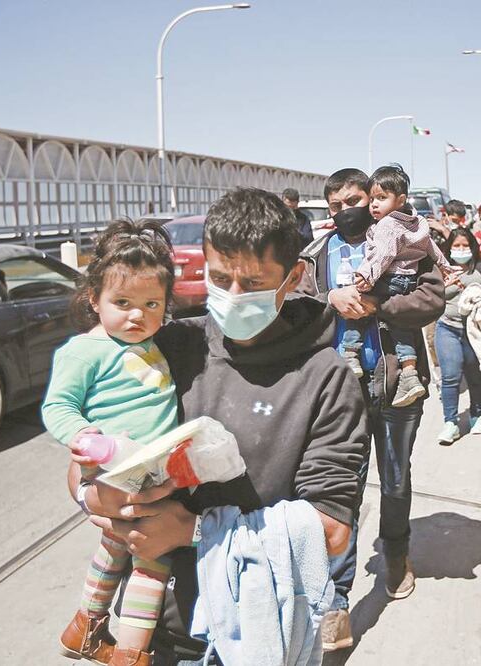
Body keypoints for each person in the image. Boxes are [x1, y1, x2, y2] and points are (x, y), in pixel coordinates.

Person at [71, 188, 369, 666]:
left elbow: (330, 530)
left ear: (293, 277)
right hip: (156, 630)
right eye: (219, 277)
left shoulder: (325, 378)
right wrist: (93, 496)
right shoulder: (168, 346)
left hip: (257, 629)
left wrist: (191, 531)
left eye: (251, 282)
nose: (231, 296)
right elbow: (85, 449)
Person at [298, 167, 445, 651]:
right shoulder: (317, 255)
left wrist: (376, 302)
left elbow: (432, 299)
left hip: (398, 384)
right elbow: (293, 306)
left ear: (374, 198)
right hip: (340, 391)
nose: (346, 212)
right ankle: (336, 596)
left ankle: (396, 555)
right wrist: (330, 298)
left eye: (354, 200)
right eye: (335, 206)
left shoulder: (403, 240)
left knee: (397, 477)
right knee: (341, 487)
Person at [45, 219, 178, 665]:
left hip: (152, 470)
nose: (137, 315)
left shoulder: (153, 342)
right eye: (122, 302)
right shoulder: (84, 351)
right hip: (115, 467)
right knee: (152, 561)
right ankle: (131, 654)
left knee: (117, 546)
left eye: (151, 303)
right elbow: (58, 407)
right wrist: (84, 437)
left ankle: (84, 627)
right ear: (94, 300)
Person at [341, 165, 456, 409]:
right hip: (407, 281)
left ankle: (350, 353)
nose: (374, 205)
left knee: (357, 308)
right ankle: (410, 373)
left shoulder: (386, 225)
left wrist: (366, 276)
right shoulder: (417, 222)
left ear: (400, 199)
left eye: (381, 198)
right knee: (399, 323)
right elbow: (430, 247)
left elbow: (383, 254)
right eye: (372, 199)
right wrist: (445, 265)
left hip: (387, 277)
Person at [435, 227, 481, 444]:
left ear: (472, 247)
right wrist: (443, 285)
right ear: (449, 249)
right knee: (450, 376)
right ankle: (450, 423)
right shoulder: (440, 270)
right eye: (456, 246)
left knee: (474, 375)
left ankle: (476, 414)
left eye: (465, 245)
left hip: (475, 333)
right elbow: (427, 297)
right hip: (447, 327)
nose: (460, 249)